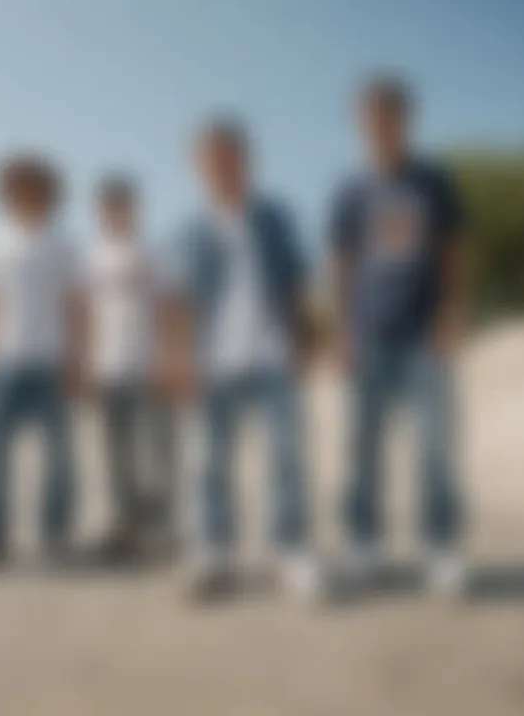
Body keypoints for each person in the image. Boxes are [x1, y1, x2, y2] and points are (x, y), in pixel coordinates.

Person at [165, 116, 319, 601]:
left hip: (273, 357)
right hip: (213, 363)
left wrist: (306, 344)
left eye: (231, 157)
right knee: (209, 463)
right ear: (197, 167)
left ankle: (288, 551)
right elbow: (175, 303)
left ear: (248, 161)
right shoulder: (187, 230)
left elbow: (298, 285)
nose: (223, 167)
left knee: (286, 457)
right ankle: (214, 551)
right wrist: (179, 360)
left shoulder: (276, 218)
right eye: (212, 160)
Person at [328, 76, 467, 595]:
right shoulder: (351, 190)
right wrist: (342, 331)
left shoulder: (434, 182)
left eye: (391, 114)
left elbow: (453, 251)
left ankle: (440, 548)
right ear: (362, 125)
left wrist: (452, 314)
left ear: (407, 119)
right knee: (362, 448)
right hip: (368, 335)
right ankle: (365, 544)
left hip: (423, 334)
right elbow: (342, 264)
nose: (381, 124)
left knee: (435, 446)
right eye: (372, 116)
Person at [0, 154, 84, 567]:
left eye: (33, 185)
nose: (25, 193)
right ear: (6, 193)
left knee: (59, 455)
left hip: (51, 361)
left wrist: (78, 361)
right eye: (17, 186)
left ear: (48, 192)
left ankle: (56, 534)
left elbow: (76, 306)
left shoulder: (64, 243)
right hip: (3, 362)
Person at [83, 174, 175, 561]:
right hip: (108, 365)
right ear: (100, 211)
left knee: (158, 448)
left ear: (134, 208)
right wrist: (86, 364)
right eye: (108, 205)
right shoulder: (91, 257)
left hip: (149, 362)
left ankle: (164, 528)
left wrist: (169, 358)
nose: (116, 212)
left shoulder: (154, 251)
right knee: (116, 451)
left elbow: (170, 308)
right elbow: (86, 314)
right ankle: (123, 525)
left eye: (122, 204)